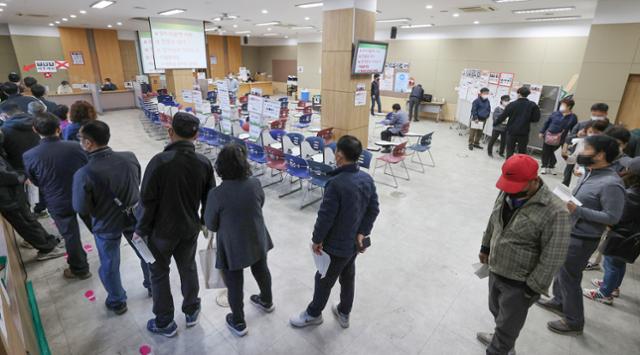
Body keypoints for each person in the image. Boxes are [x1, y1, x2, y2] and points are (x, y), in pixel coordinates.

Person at [476, 154, 570, 355]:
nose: (509, 190)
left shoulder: (555, 211)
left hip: (520, 283)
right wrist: (485, 247)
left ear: (534, 180)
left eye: (515, 185)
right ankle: (503, 340)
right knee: (498, 313)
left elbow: (554, 256)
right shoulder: (507, 192)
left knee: (508, 326)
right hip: (496, 268)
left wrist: (532, 287)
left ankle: (500, 347)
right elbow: (494, 220)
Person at [136, 112, 215, 337]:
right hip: (189, 229)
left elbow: (147, 201)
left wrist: (140, 230)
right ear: (197, 135)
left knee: (159, 273)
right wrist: (203, 222)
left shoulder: (159, 162)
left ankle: (164, 322)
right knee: (188, 267)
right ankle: (191, 310)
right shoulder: (204, 163)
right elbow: (209, 198)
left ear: (170, 132)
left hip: (160, 232)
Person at [537, 135, 625, 336]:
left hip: (583, 238)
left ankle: (574, 321)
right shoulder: (592, 172)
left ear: (600, 155)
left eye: (586, 149)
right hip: (571, 230)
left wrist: (576, 210)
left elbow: (613, 217)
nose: (581, 152)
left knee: (570, 278)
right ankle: (559, 301)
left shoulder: (611, 183)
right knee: (562, 270)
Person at [290, 135, 379, 330]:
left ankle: (313, 314)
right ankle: (344, 312)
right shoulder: (366, 179)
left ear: (339, 155)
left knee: (323, 279)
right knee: (347, 276)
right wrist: (363, 232)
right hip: (354, 244)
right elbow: (374, 209)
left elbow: (325, 217)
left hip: (336, 246)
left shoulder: (336, 183)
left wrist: (317, 239)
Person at [72, 120, 151, 315]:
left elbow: (80, 207)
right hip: (135, 217)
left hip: (106, 223)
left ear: (89, 143)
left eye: (80, 138)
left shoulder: (84, 173)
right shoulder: (129, 157)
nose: (79, 141)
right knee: (146, 254)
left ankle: (117, 301)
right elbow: (137, 182)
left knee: (110, 262)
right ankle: (153, 285)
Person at [204, 144, 274, 337]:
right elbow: (260, 202)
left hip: (232, 244)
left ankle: (239, 321)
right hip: (257, 236)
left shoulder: (217, 194)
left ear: (220, 167)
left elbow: (211, 223)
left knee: (234, 282)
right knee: (261, 269)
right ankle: (267, 301)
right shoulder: (255, 183)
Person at [23, 113, 91, 280]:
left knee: (70, 235)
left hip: (57, 199)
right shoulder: (76, 146)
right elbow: (89, 168)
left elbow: (34, 180)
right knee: (97, 226)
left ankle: (80, 269)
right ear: (59, 128)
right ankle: (110, 252)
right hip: (83, 195)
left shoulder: (30, 155)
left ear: (34, 130)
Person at [582, 156, 640, 305]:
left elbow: (620, 217)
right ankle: (613, 287)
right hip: (630, 237)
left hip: (621, 235)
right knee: (619, 263)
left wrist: (608, 222)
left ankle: (605, 293)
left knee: (611, 264)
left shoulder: (632, 195)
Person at [0, 131, 65, 261]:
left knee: (29, 221)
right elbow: (6, 176)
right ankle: (47, 248)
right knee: (26, 223)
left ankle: (48, 241)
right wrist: (22, 176)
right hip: (8, 198)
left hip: (11, 195)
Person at [561, 103, 611, 186]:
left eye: (599, 115)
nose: (596, 117)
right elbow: (569, 138)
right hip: (579, 153)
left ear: (605, 114)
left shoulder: (610, 128)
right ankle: (565, 185)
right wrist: (577, 135)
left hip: (597, 161)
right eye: (594, 115)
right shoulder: (582, 124)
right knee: (570, 170)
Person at [495, 87, 541, 158]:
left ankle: (509, 166)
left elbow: (503, 116)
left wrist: (496, 122)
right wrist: (528, 119)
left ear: (519, 94)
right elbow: (536, 119)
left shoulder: (512, 104)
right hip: (524, 132)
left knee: (510, 150)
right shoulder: (532, 105)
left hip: (511, 131)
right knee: (522, 152)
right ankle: (519, 167)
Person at [538, 98, 578, 175]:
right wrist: (542, 132)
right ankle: (544, 166)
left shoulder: (573, 117)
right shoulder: (555, 113)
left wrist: (571, 140)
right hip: (549, 135)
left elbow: (573, 129)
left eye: (563, 105)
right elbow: (547, 123)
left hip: (561, 137)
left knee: (553, 151)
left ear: (569, 107)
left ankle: (551, 166)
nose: (561, 106)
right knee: (546, 151)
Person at [0, 103, 40, 172]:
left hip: (18, 171)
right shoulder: (39, 123)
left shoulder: (3, 131)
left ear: (4, 115)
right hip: (40, 166)